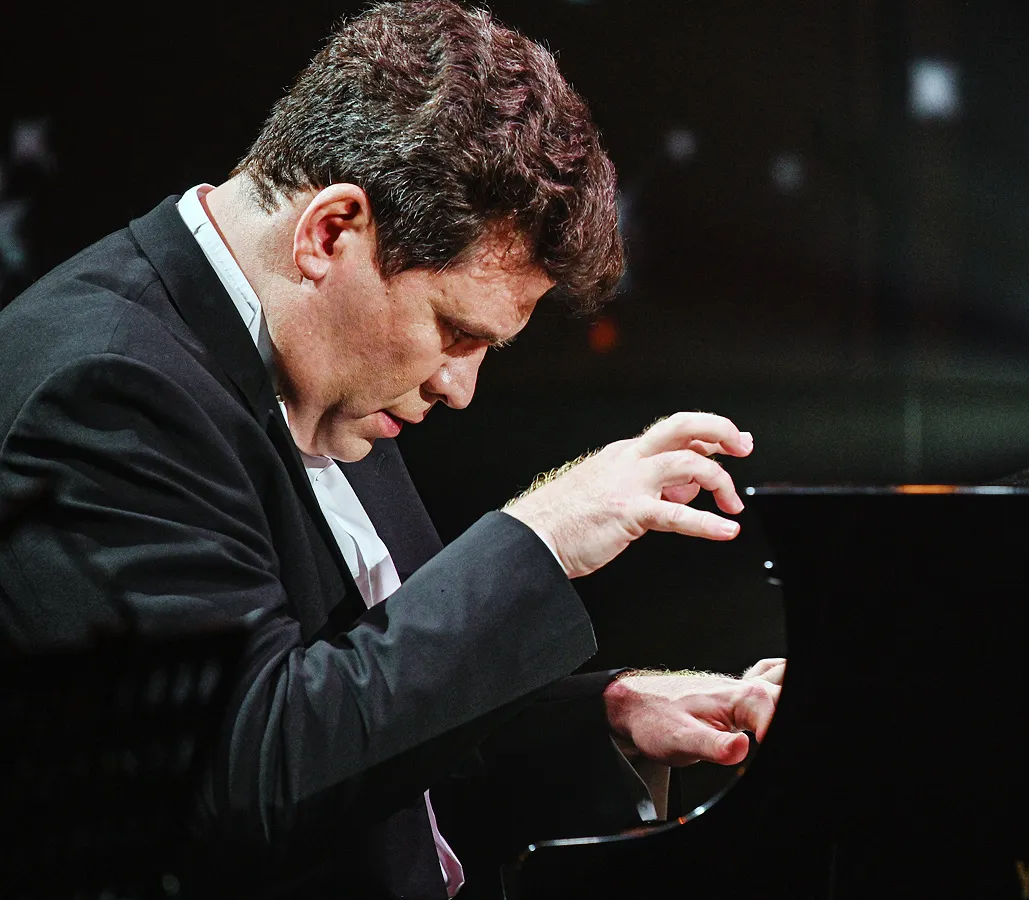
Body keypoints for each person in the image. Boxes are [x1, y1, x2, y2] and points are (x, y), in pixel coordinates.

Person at [0, 2, 781, 897]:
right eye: (454, 330)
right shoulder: (103, 391)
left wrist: (607, 713)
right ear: (330, 231)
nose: (460, 386)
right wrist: (542, 535)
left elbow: (367, 720)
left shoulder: (324, 368)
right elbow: (244, 779)